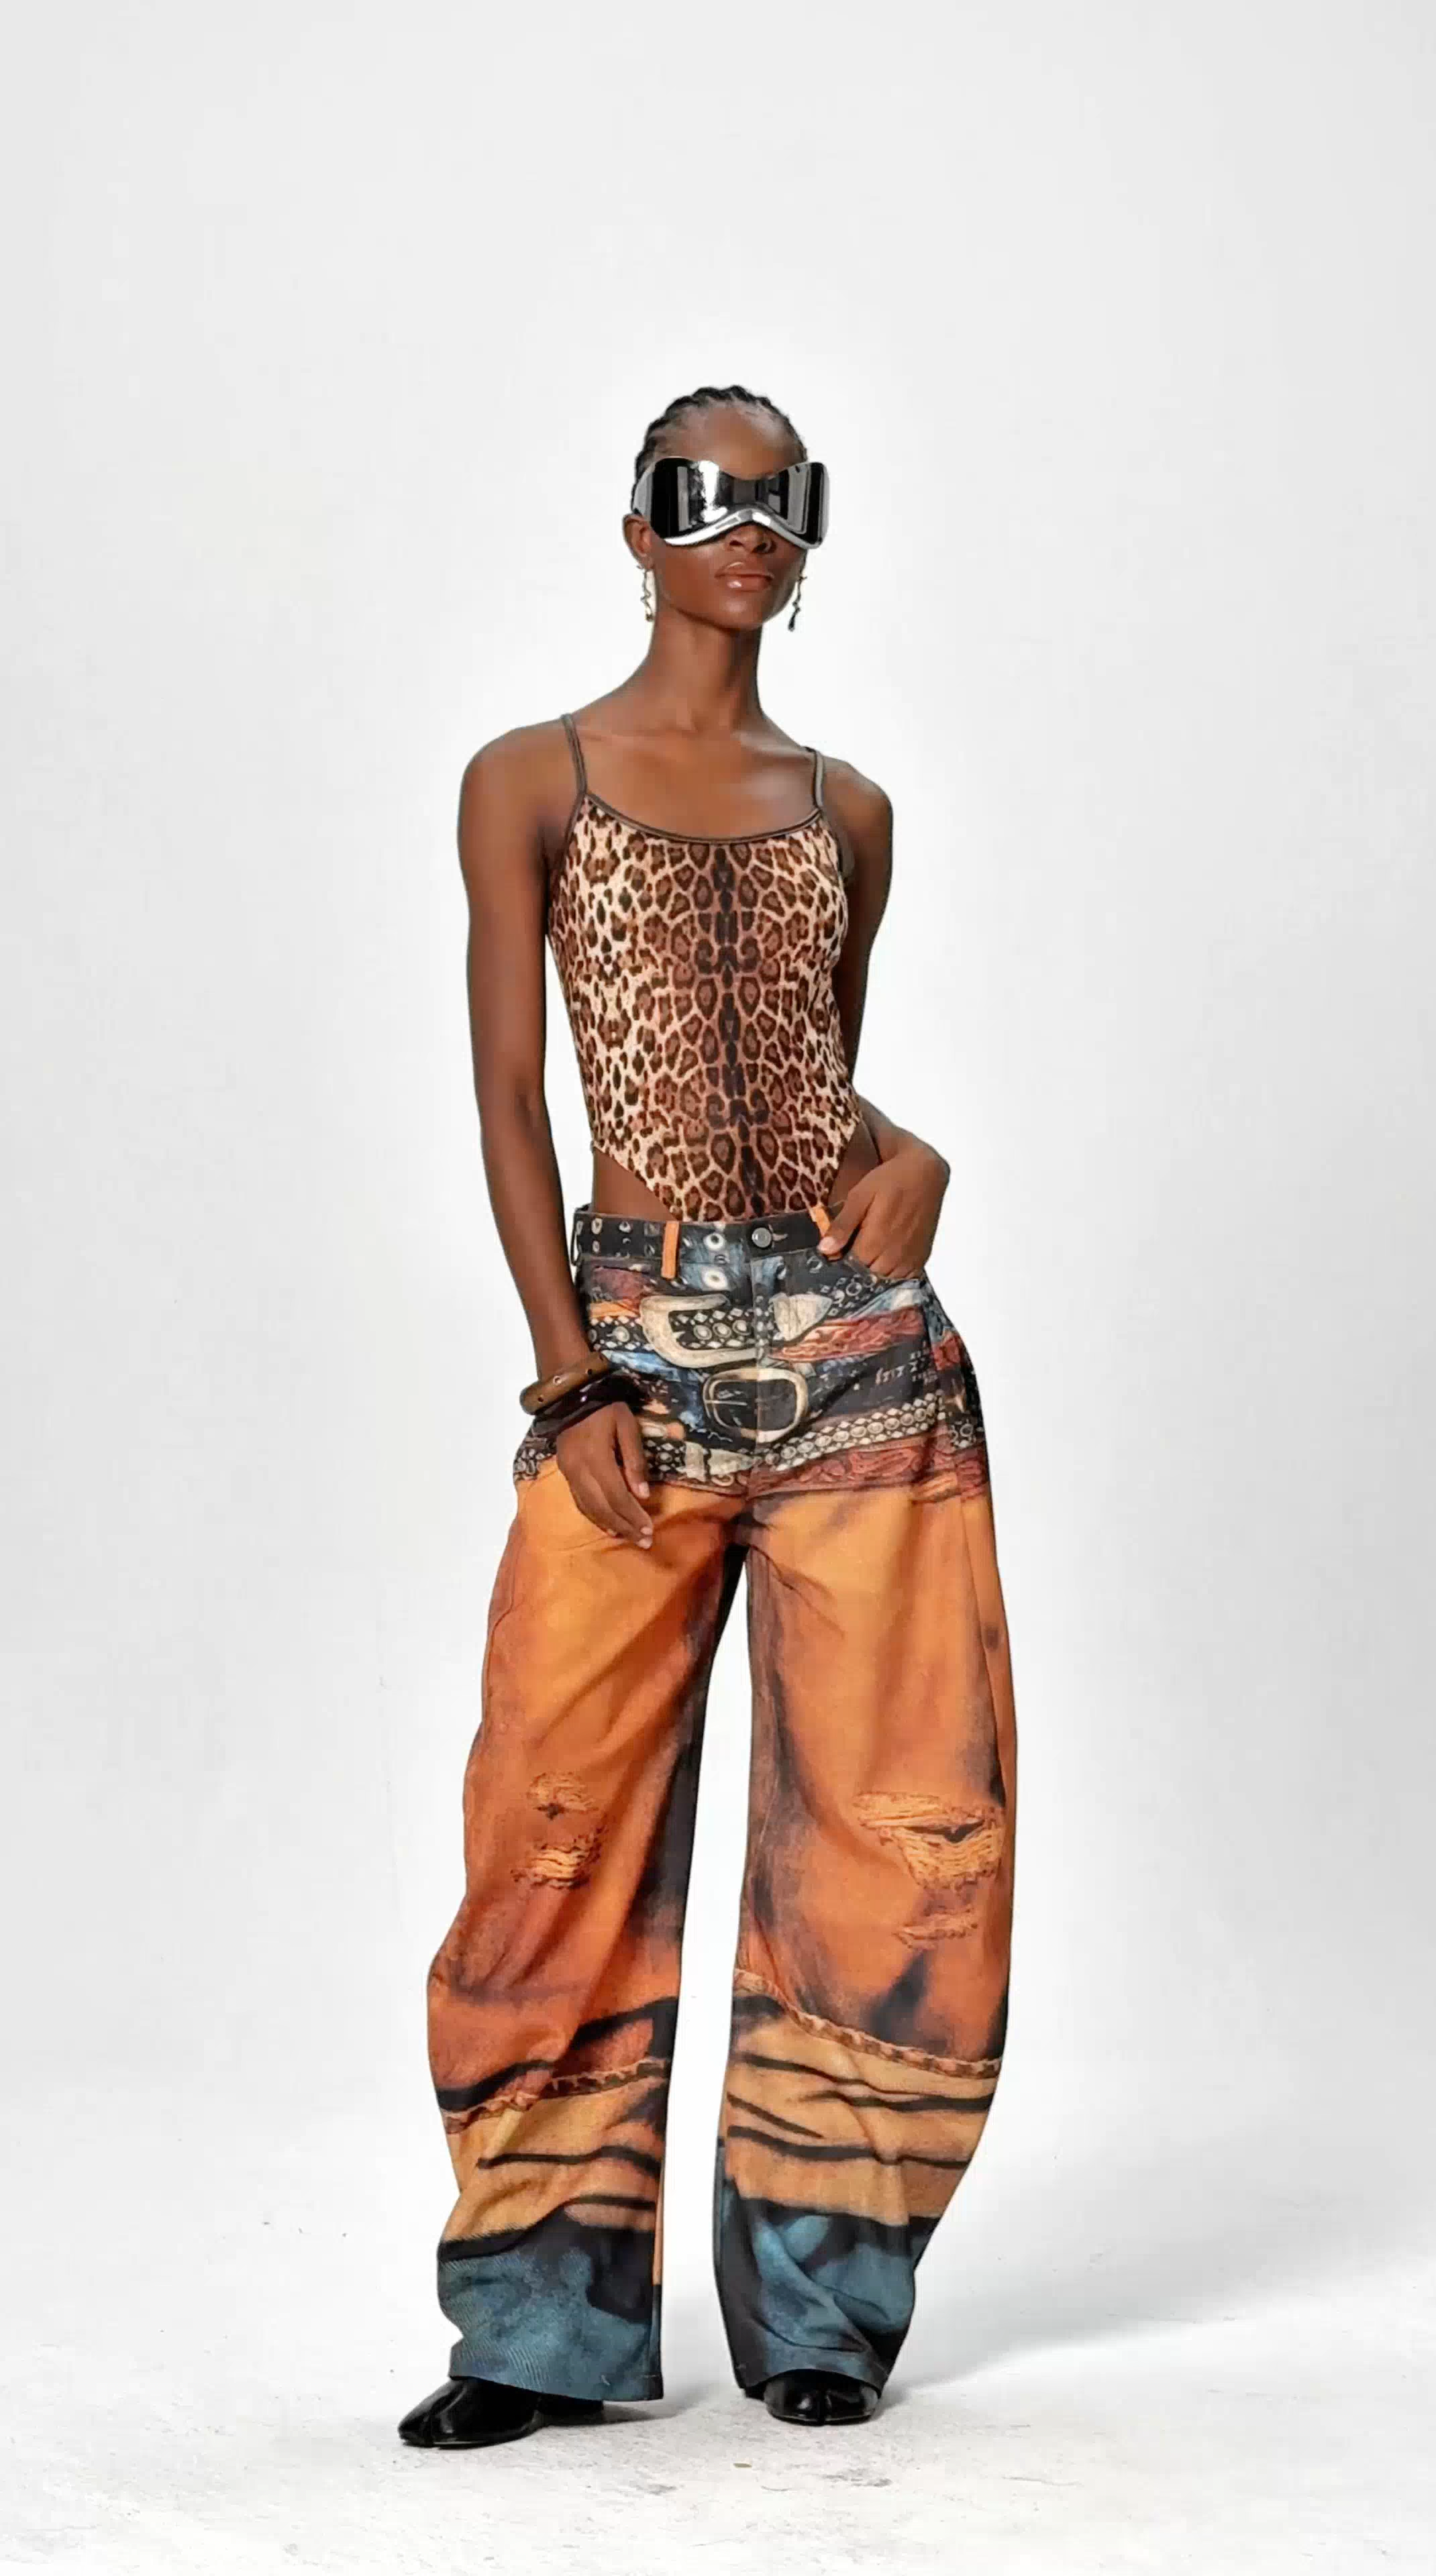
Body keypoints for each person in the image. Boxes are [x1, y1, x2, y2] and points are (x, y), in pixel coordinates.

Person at [399, 383, 1017, 2449]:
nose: (744, 529)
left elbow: (819, 1090)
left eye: (779, 500)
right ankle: (538, 2329)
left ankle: (826, 2306)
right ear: (636, 527)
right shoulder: (532, 779)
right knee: (551, 1826)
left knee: (896, 1841)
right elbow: (511, 1098)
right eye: (703, 495)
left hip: (865, 1366)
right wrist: (566, 1366)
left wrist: (917, 1157)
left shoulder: (854, 810)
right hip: (633, 1357)